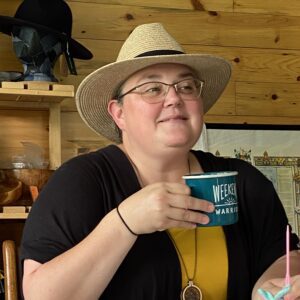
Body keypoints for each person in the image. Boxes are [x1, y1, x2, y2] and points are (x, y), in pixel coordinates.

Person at [20, 23, 300, 300]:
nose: (174, 98)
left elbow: (285, 256)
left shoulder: (242, 181)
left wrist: (273, 286)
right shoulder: (81, 181)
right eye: (153, 89)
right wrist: (124, 223)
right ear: (118, 114)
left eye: (187, 86)